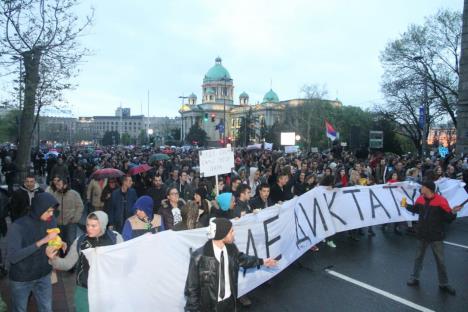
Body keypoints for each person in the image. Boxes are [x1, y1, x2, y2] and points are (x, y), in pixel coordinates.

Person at [184, 218, 278, 311]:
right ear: (222, 234)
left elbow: (243, 259)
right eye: (231, 231)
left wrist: (262, 261)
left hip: (230, 303)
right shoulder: (198, 257)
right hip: (210, 307)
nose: (234, 233)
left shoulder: (231, 249)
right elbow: (191, 289)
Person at [46, 211, 123, 311]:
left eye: (93, 226)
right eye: (87, 224)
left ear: (103, 225)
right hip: (84, 289)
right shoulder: (80, 241)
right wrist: (53, 258)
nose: (89, 228)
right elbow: (67, 264)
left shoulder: (115, 238)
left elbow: (123, 261)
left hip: (107, 289)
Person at [403, 180, 462, 295]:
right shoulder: (420, 199)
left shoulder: (441, 201)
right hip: (422, 234)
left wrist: (454, 212)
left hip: (436, 236)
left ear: (428, 188)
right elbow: (415, 210)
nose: (421, 188)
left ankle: (444, 283)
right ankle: (415, 277)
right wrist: (406, 206)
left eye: (422, 186)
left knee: (440, 261)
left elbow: (448, 219)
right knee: (418, 258)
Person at [7, 192, 60, 312]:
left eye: (52, 211)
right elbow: (13, 257)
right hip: (22, 278)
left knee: (46, 308)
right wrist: (42, 241)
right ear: (38, 209)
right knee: (19, 309)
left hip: (43, 274)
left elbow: (52, 243)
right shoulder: (18, 226)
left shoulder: (50, 221)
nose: (51, 214)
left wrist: (59, 244)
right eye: (48, 211)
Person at [50, 177, 84, 250]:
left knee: (70, 242)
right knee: (59, 242)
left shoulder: (74, 194)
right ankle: (61, 257)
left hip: (71, 223)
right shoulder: (54, 194)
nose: (57, 186)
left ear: (65, 185)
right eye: (56, 185)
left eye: (59, 184)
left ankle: (71, 258)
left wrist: (75, 218)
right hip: (58, 223)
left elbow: (80, 206)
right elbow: (51, 207)